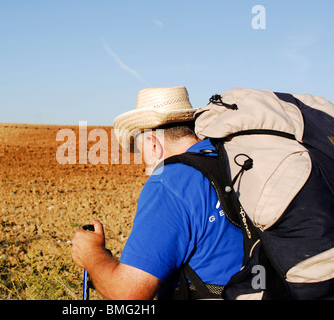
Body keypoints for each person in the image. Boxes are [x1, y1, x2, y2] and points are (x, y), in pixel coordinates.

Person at [71, 86, 244, 300]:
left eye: (141, 153)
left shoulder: (168, 182)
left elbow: (128, 294)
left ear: (154, 145)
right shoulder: (231, 161)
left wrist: (90, 253)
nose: (144, 167)